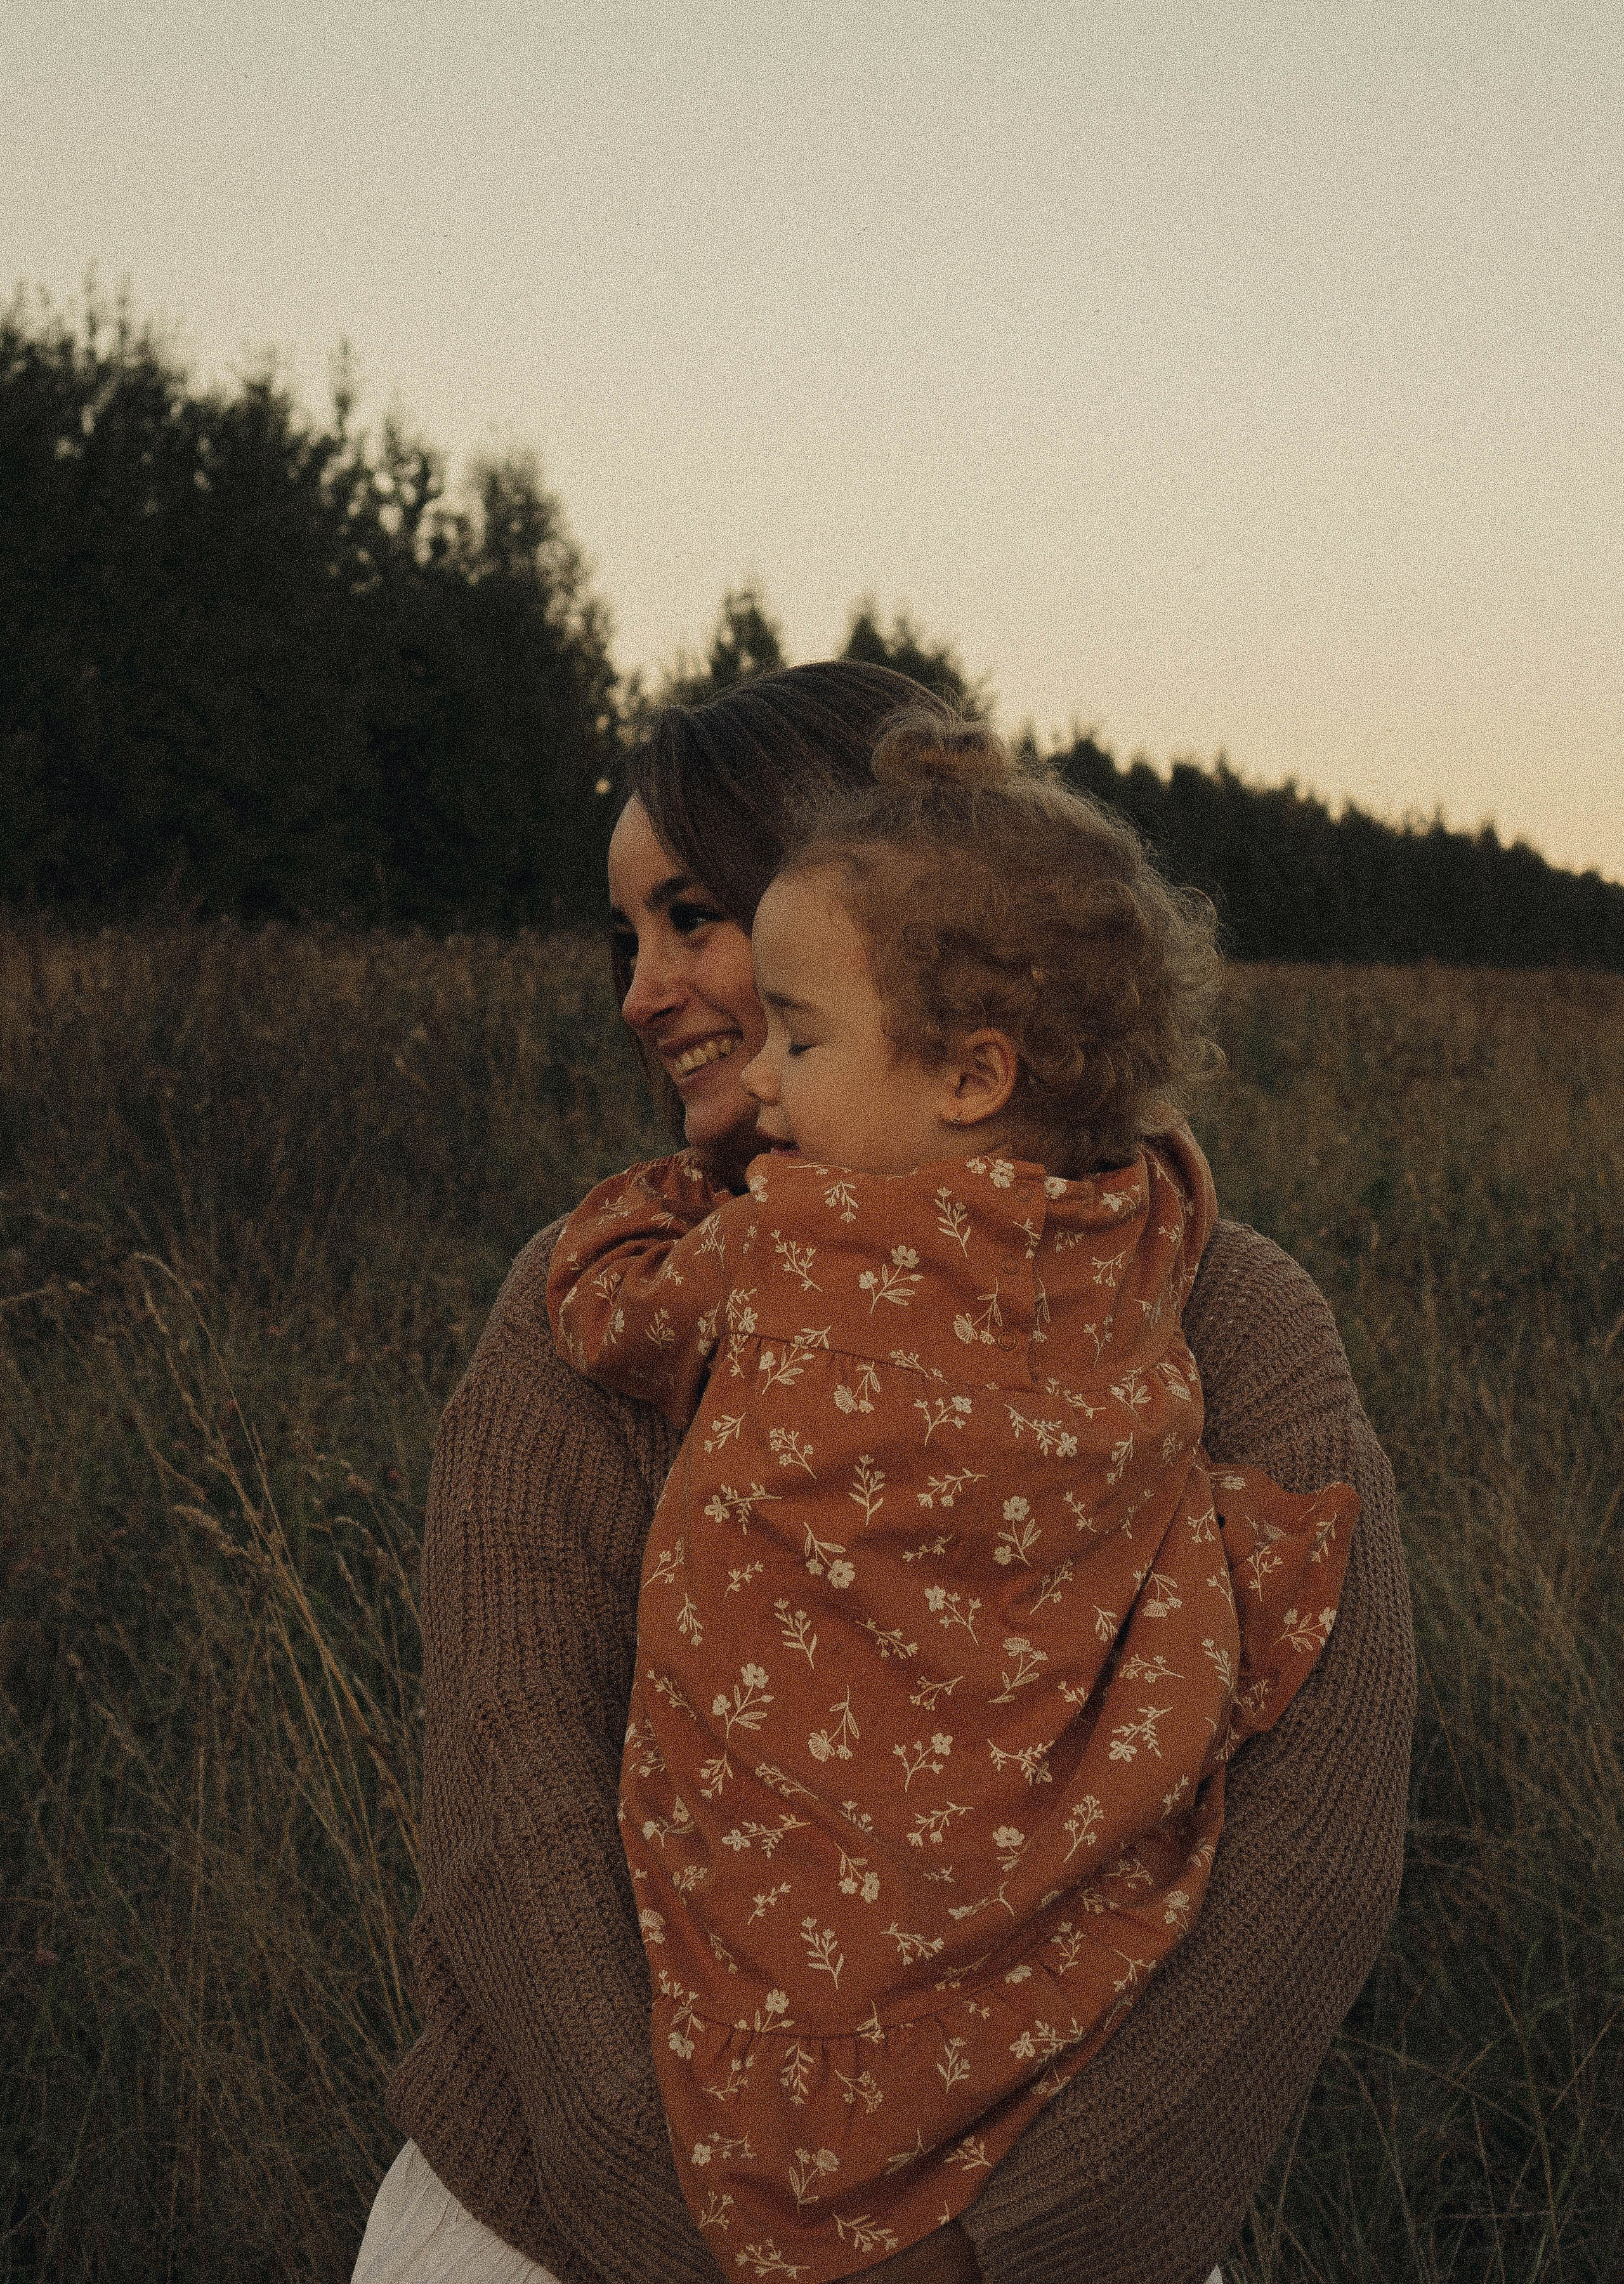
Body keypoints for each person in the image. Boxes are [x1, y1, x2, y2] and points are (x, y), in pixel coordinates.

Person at [360, 662, 1415, 2284]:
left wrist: (1003, 2254)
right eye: (623, 938)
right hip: (563, 2234)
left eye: (694, 915)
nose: (644, 992)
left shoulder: (1215, 1306)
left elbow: (1312, 1856)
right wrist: (701, 2236)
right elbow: (514, 1798)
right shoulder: (607, 1296)